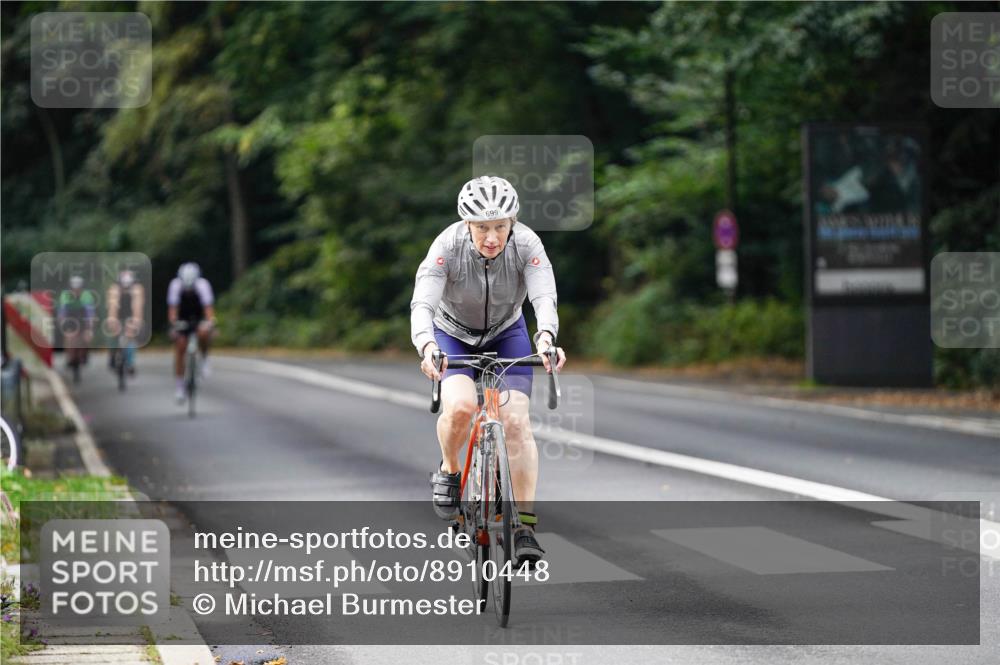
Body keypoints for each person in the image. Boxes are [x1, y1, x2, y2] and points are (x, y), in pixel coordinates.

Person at [411, 175, 566, 567]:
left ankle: (524, 527)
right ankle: (449, 468)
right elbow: (423, 306)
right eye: (482, 228)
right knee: (461, 407)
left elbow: (543, 295)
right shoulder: (446, 247)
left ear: (513, 221)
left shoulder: (528, 243)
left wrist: (545, 338)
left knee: (515, 422)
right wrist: (428, 347)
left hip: (506, 333)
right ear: (468, 225)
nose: (492, 237)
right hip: (452, 335)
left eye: (500, 226)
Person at [167, 263, 215, 404]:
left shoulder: (203, 285)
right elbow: (172, 310)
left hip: (198, 315)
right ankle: (180, 387)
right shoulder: (175, 286)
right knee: (180, 346)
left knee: (204, 332)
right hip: (182, 317)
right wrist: (174, 324)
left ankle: (204, 358)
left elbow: (208, 309)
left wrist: (210, 322)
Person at [57, 275, 97, 380]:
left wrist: (90, 328)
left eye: (78, 288)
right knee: (69, 338)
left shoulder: (86, 295)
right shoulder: (66, 295)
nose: (76, 290)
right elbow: (63, 311)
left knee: (86, 337)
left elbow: (90, 312)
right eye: (74, 288)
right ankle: (69, 358)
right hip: (70, 319)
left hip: (83, 318)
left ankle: (85, 354)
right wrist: (63, 323)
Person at [106, 269, 145, 375]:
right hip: (118, 315)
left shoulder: (137, 289)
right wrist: (112, 321)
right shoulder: (114, 289)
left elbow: (138, 308)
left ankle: (130, 363)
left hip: (131, 316)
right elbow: (112, 308)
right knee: (112, 332)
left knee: (131, 336)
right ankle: (112, 354)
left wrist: (136, 323)